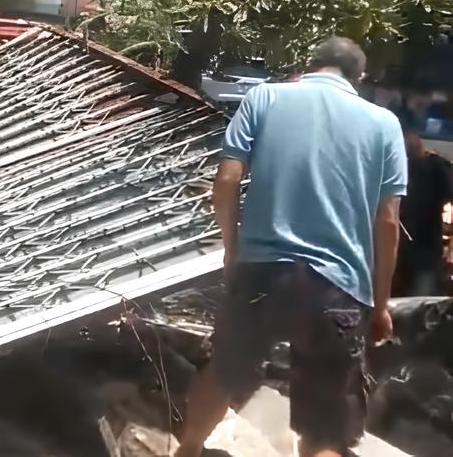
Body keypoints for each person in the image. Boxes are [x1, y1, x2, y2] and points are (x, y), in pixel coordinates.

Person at [173, 37, 407, 457]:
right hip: (337, 285)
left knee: (224, 371)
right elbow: (388, 222)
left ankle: (188, 449)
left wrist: (232, 251)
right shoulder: (384, 124)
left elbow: (226, 182)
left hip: (261, 272)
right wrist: (381, 304)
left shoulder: (264, 98)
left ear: (310, 64)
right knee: (324, 419)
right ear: (359, 77)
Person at [395, 123, 453, 297]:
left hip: (426, 248)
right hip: (402, 249)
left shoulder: (435, 166)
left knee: (422, 298)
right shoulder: (398, 166)